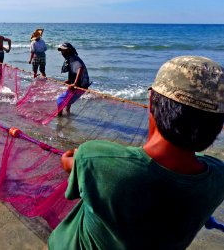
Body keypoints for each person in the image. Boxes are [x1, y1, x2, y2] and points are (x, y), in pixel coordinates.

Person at [48, 56, 224, 250]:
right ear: (218, 125)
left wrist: (77, 156)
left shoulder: (96, 158)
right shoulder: (218, 178)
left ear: (151, 102)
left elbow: (68, 162)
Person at [57, 42, 90, 115]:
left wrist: (74, 83)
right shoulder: (71, 58)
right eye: (61, 50)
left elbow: (80, 68)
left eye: (63, 50)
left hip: (80, 86)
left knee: (60, 100)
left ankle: (59, 116)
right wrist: (69, 81)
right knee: (68, 99)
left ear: (68, 50)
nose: (62, 52)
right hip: (79, 85)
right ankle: (67, 112)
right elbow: (72, 71)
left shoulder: (73, 58)